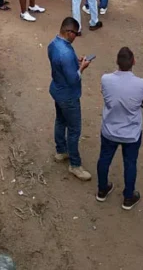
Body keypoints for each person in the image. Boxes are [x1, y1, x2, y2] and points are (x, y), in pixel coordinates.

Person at [95, 46, 143, 210]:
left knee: (104, 159)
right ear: (134, 62)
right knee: (130, 163)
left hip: (110, 130)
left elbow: (105, 95)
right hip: (131, 133)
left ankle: (102, 190)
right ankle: (128, 197)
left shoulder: (106, 79)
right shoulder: (142, 84)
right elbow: (139, 101)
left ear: (117, 62)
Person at [48, 16, 93, 181]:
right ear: (68, 32)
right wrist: (82, 67)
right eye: (75, 33)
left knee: (60, 121)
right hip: (68, 96)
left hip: (57, 90)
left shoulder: (53, 44)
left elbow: (59, 66)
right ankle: (75, 165)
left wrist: (76, 61)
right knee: (74, 130)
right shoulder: (66, 53)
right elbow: (73, 79)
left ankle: (61, 150)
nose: (76, 36)